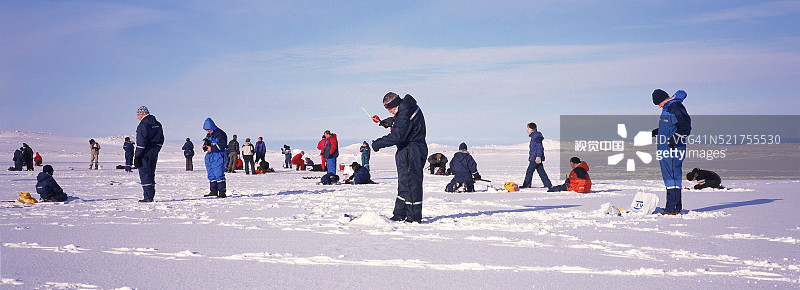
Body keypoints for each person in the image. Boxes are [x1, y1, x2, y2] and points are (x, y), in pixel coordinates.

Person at [372, 92, 427, 223]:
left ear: (394, 104)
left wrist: (377, 143)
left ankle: (413, 218)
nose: (389, 111)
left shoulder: (405, 113)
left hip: (411, 150)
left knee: (411, 183)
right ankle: (400, 213)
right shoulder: (407, 109)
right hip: (408, 150)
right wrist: (389, 122)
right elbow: (402, 122)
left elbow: (398, 136)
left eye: (389, 108)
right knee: (404, 182)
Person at [652, 89, 692, 215]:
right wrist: (658, 131)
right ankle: (673, 207)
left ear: (664, 99)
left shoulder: (675, 107)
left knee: (673, 177)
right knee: (669, 177)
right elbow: (670, 126)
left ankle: (673, 208)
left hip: (673, 149)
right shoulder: (668, 108)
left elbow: (685, 126)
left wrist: (674, 140)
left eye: (659, 103)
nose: (659, 106)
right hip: (666, 149)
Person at [134, 106, 164, 202]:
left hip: (145, 153)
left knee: (145, 173)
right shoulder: (158, 124)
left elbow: (141, 143)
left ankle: (148, 196)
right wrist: (156, 149)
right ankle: (150, 195)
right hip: (153, 153)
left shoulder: (143, 125)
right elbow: (161, 139)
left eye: (138, 115)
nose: (137, 117)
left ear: (142, 114)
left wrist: (137, 156)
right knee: (151, 173)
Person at [521, 122, 552, 189]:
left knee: (529, 171)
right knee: (541, 171)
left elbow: (539, 147)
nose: (527, 130)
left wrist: (538, 156)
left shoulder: (536, 137)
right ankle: (547, 184)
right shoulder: (534, 137)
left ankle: (526, 184)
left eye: (528, 129)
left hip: (535, 158)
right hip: (535, 157)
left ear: (532, 129)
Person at [203, 118, 228, 198]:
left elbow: (223, 144)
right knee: (211, 173)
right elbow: (207, 142)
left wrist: (212, 148)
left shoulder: (221, 133)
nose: (208, 131)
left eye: (209, 129)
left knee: (218, 173)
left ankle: (222, 192)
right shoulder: (209, 134)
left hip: (219, 155)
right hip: (210, 156)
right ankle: (213, 191)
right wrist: (205, 146)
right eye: (206, 130)